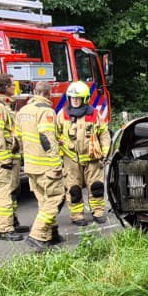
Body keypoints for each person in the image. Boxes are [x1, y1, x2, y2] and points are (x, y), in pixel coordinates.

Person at [16, 80, 66, 250]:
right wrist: (55, 164)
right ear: (48, 94)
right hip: (46, 165)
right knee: (55, 199)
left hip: (31, 165)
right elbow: (46, 138)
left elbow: (19, 138)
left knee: (44, 200)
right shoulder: (46, 111)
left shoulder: (23, 111)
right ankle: (37, 235)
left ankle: (51, 234)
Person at [58, 81, 111, 226]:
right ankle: (77, 216)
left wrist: (105, 154)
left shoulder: (94, 114)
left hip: (92, 159)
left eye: (77, 98)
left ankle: (98, 212)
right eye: (72, 98)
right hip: (71, 160)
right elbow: (55, 135)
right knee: (73, 189)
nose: (74, 100)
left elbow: (104, 135)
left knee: (96, 187)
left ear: (85, 98)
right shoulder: (62, 115)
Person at [0, 73, 26, 241]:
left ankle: (12, 222)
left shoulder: (4, 105)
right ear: (6, 87)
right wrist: (4, 158)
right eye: (12, 85)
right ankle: (4, 229)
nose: (14, 87)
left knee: (13, 190)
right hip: (5, 159)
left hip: (12, 156)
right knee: (5, 193)